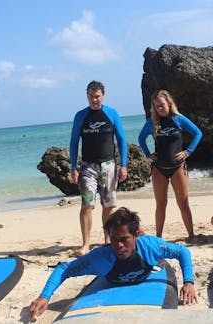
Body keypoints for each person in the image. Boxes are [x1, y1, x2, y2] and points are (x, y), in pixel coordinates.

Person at [29, 207, 197, 320]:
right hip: (114, 266)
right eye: (114, 239)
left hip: (147, 257)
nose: (119, 245)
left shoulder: (150, 246)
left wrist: (188, 282)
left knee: (153, 247)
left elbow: (182, 252)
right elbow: (65, 269)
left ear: (135, 235)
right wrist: (45, 296)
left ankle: (136, 227)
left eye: (124, 239)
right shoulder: (101, 257)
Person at [69, 80, 128, 256]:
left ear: (103, 95)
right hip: (88, 166)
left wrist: (123, 165)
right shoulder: (81, 116)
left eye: (97, 96)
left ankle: (107, 239)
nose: (94, 100)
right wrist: (73, 167)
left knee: (108, 205)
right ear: (86, 95)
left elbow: (122, 140)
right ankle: (86, 244)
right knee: (87, 204)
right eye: (90, 96)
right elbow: (73, 143)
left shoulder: (112, 113)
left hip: (109, 165)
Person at [138, 90, 202, 240]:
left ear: (169, 103)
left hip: (178, 167)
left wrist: (188, 152)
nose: (160, 108)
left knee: (183, 203)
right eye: (156, 107)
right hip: (159, 169)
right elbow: (141, 138)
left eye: (161, 105)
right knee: (161, 204)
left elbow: (197, 133)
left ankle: (191, 235)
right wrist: (148, 154)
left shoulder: (178, 119)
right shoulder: (152, 123)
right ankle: (158, 236)